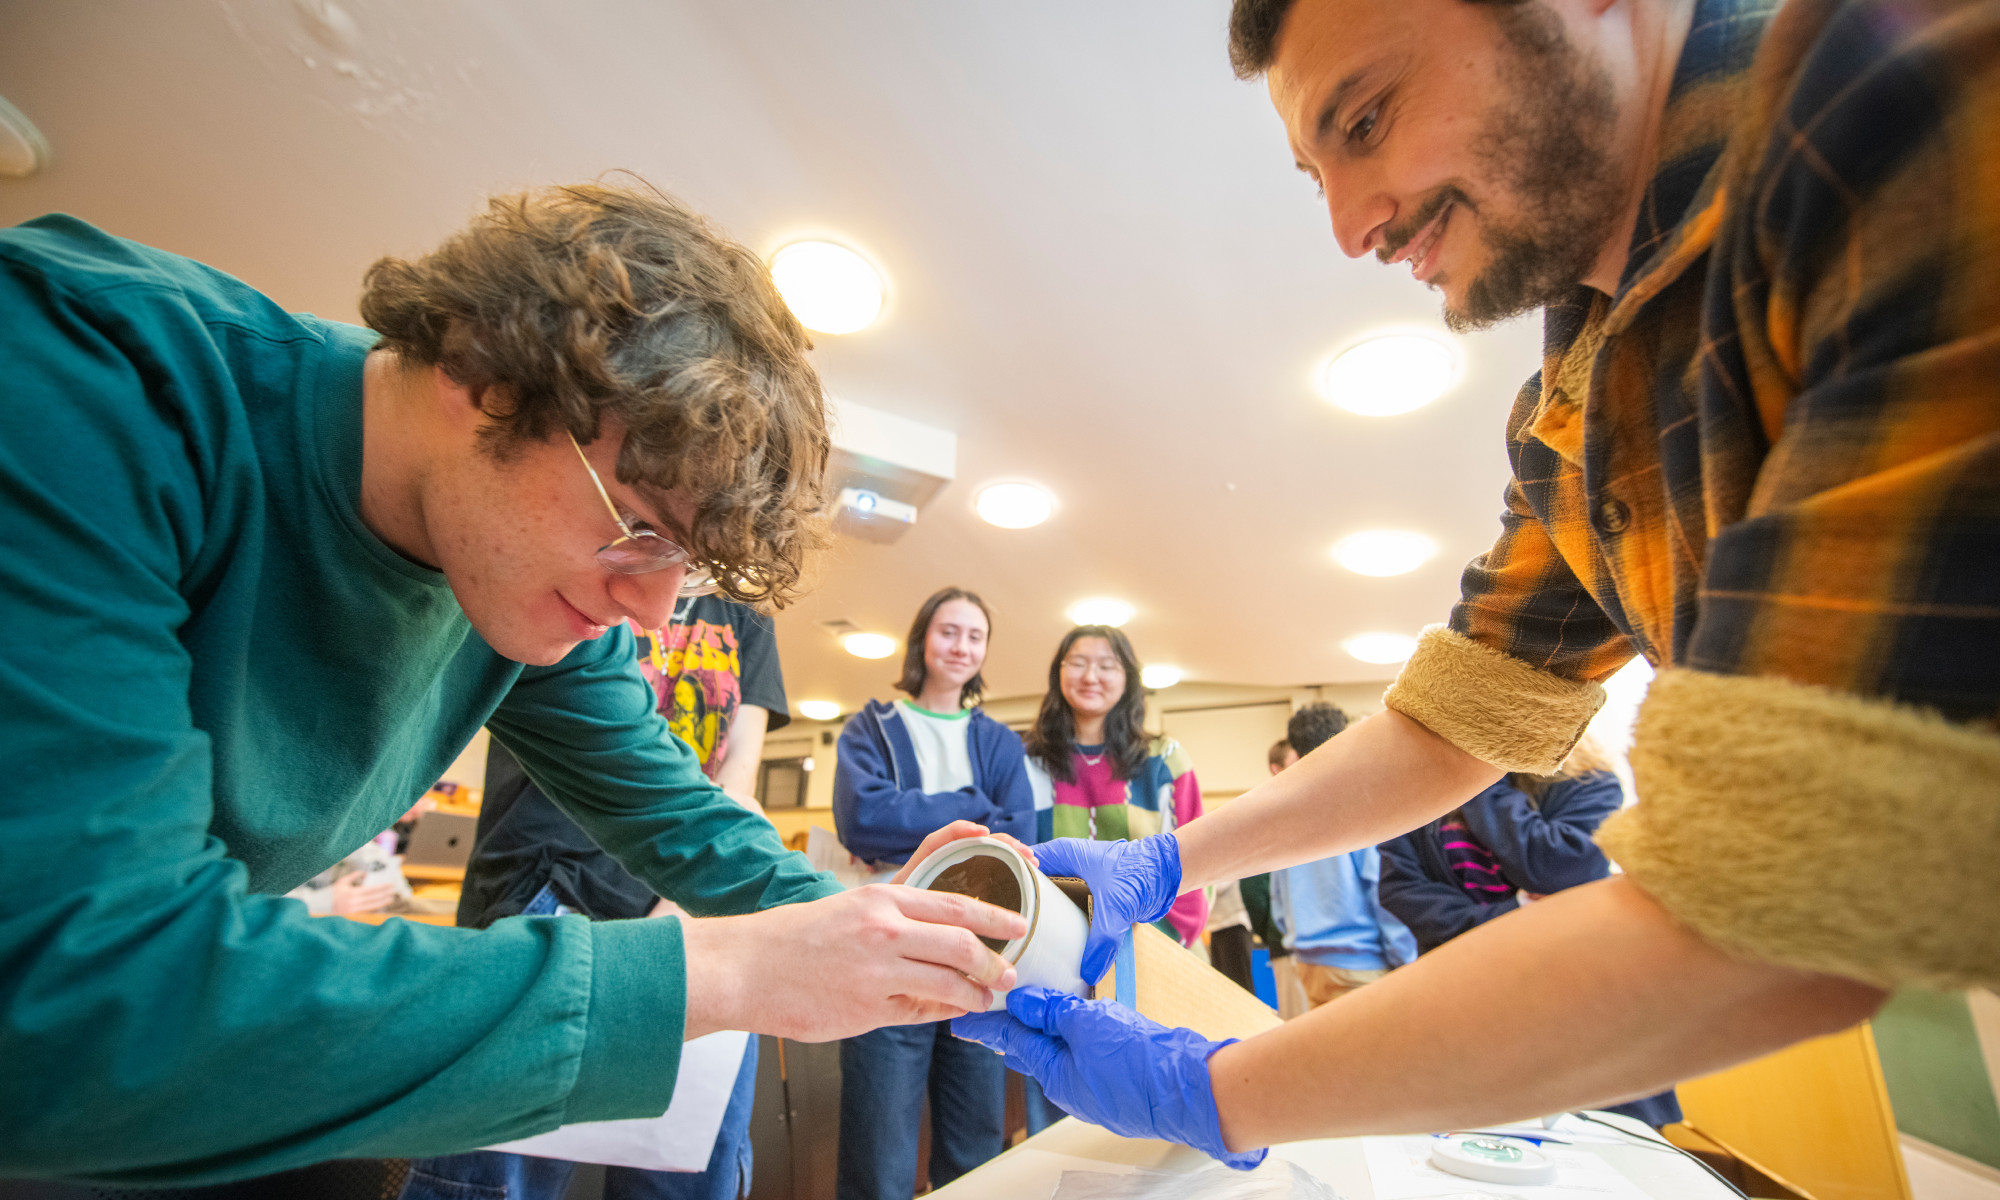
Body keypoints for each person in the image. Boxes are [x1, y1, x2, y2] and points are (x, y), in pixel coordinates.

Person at [955, 0, 1996, 1170]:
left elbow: (1776, 912)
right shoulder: (1573, 408)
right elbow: (1455, 720)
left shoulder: (1892, 82)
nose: (1350, 228)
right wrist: (1167, 864)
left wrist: (1219, 1090)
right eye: (1316, 176)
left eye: (1365, 118)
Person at [0, 183, 1022, 1185]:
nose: (657, 613)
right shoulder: (90, 372)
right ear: (481, 373)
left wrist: (891, 932)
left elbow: (677, 816)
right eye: (639, 530)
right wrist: (724, 974)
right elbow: (78, 990)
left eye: (686, 566)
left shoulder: (510, 581)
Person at [401, 592, 791, 1200]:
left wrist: (691, 910)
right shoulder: (594, 573)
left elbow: (737, 776)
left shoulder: (745, 615)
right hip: (543, 890)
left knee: (685, 1175)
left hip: (693, 924)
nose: (666, 592)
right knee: (490, 1179)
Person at [830, 587, 1036, 1200]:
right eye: (950, 631)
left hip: (981, 949)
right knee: (878, 1135)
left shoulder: (1000, 741)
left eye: (975, 636)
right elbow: (860, 817)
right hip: (889, 943)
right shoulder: (872, 726)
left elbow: (1021, 833)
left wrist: (911, 818)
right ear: (923, 637)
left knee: (975, 1138)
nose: (961, 646)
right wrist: (974, 807)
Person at [1378, 733, 1681, 1126]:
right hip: (1470, 1007)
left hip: (1581, 1003)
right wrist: (1517, 909)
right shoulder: (1417, 799)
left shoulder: (1590, 782)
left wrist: (1484, 777)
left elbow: (1553, 867)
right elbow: (1402, 891)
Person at [1021, 626, 1210, 947]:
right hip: (1052, 948)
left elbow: (1195, 858)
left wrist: (1159, 944)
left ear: (1128, 678)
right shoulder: (1028, 760)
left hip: (1153, 947)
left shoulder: (1164, 758)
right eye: (1078, 663)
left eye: (1107, 666)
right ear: (1058, 674)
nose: (1091, 676)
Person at [1267, 705, 1417, 1011]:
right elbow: (1382, 890)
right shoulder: (1359, 801)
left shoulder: (1287, 811)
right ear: (1344, 738)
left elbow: (1279, 901)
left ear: (1296, 749)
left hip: (1308, 962)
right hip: (1361, 962)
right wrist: (1406, 958)